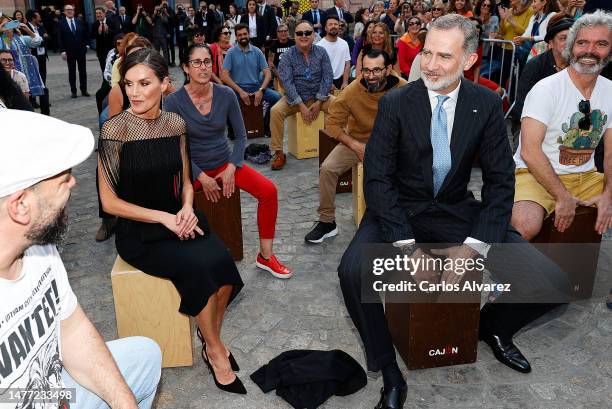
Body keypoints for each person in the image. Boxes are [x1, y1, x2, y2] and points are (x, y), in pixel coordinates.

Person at [338, 14, 570, 409]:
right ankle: (390, 374)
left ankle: (492, 329)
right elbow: (376, 181)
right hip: (399, 211)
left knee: (553, 281)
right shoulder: (396, 102)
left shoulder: (485, 104)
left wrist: (473, 248)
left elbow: (500, 183)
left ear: (468, 60)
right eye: (426, 52)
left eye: (443, 56)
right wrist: (408, 248)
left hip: (454, 209)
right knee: (353, 270)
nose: (429, 64)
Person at [98, 48, 247, 395]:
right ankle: (215, 349)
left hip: (179, 217)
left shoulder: (175, 124)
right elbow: (109, 202)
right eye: (129, 84)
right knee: (198, 272)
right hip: (141, 230)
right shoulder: (114, 131)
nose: (134, 92)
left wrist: (188, 207)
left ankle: (207, 332)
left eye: (144, 83)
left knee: (224, 268)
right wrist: (164, 218)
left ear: (164, 85)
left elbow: (185, 180)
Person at [0, 109, 162, 408]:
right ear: (20, 206)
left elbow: (72, 329)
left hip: (50, 392)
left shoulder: (38, 244)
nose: (74, 184)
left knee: (145, 355)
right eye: (63, 180)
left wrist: (124, 403)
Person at [165, 43, 292, 279]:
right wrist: (201, 176)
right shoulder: (173, 102)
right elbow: (174, 148)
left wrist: (233, 166)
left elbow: (241, 136)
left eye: (206, 62)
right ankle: (192, 265)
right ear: (185, 68)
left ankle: (265, 256)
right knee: (178, 212)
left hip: (225, 163)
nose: (203, 67)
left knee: (269, 191)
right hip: (192, 170)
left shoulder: (225, 94)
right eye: (196, 62)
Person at [511, 10, 612, 241]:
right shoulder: (546, 89)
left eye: (601, 43)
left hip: (586, 177)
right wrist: (562, 196)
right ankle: (503, 271)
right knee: (525, 224)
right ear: (571, 47)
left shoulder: (610, 91)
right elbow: (529, 151)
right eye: (582, 42)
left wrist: (608, 195)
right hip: (535, 173)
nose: (589, 51)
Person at [305, 49, 407, 243]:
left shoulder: (403, 88)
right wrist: (355, 145)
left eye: (377, 70)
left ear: (388, 69)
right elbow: (332, 123)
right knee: (327, 169)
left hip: (391, 142)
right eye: (366, 71)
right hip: (358, 140)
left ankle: (400, 219)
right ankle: (327, 222)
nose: (371, 76)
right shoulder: (352, 90)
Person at [269, 20, 334, 170]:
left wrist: (318, 101)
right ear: (294, 36)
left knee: (340, 106)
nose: (303, 36)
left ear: (313, 35)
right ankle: (279, 153)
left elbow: (327, 77)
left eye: (307, 33)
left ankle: (334, 148)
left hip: (319, 97)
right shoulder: (287, 56)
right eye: (299, 33)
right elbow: (287, 82)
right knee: (275, 111)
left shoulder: (321, 52)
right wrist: (300, 105)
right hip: (294, 99)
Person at [511, 15, 573, 126]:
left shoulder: (578, 67)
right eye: (563, 38)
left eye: (572, 39)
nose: (568, 43)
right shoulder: (535, 66)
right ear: (551, 43)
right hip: (529, 124)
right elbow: (522, 105)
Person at [221, 23, 281, 136]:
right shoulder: (231, 52)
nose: (242, 36)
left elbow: (268, 74)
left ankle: (265, 125)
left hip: (256, 86)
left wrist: (261, 90)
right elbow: (224, 76)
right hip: (238, 87)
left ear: (249, 35)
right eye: (239, 35)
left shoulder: (257, 51)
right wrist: (240, 91)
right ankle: (232, 129)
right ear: (236, 37)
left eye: (245, 34)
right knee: (225, 99)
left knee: (277, 98)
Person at [495, 0, 533, 89]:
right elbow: (502, 32)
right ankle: (502, 99)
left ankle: (512, 99)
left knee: (515, 78)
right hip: (506, 49)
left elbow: (525, 33)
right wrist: (502, 19)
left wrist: (511, 20)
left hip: (519, 51)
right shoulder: (510, 11)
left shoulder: (529, 11)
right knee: (503, 77)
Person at [56, 4, 90, 98]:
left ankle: (84, 90)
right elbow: (60, 38)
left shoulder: (79, 21)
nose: (70, 11)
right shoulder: (61, 23)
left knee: (83, 71)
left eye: (71, 9)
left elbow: (85, 34)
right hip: (69, 51)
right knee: (72, 72)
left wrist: (87, 45)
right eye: (67, 10)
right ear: (64, 12)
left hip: (81, 51)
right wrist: (62, 51)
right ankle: (73, 91)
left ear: (74, 11)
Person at [317, 15, 351, 90]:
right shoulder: (319, 46)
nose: (333, 26)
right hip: (324, 81)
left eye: (335, 24)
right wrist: (328, 83)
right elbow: (318, 69)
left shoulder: (344, 43)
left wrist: (345, 82)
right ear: (325, 28)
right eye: (330, 24)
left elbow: (347, 64)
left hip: (341, 80)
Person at [25, 9, 48, 109]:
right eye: (38, 16)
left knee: (43, 78)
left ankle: (43, 99)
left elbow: (48, 38)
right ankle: (33, 100)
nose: (40, 18)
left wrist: (44, 38)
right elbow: (33, 43)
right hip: (33, 58)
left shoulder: (40, 26)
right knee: (33, 78)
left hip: (42, 57)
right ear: (33, 18)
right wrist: (43, 39)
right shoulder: (25, 28)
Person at [93, 6, 117, 71]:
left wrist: (108, 31)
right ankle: (105, 81)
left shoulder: (111, 22)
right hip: (100, 51)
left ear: (104, 13)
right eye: (96, 13)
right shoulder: (95, 24)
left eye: (100, 13)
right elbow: (92, 36)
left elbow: (117, 33)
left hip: (111, 49)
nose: (98, 15)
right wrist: (98, 32)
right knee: (103, 68)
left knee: (113, 68)